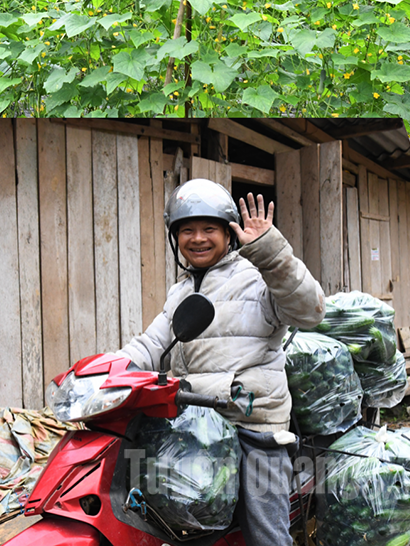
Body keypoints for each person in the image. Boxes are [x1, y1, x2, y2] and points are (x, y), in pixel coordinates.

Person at [119, 178, 325, 546]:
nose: (197, 238)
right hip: (196, 426)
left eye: (209, 229)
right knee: (170, 516)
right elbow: (151, 344)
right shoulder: (180, 291)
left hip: (253, 427)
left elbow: (310, 310)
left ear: (228, 233)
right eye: (187, 230)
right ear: (175, 237)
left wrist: (270, 253)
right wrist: (108, 369)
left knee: (265, 533)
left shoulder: (257, 278)